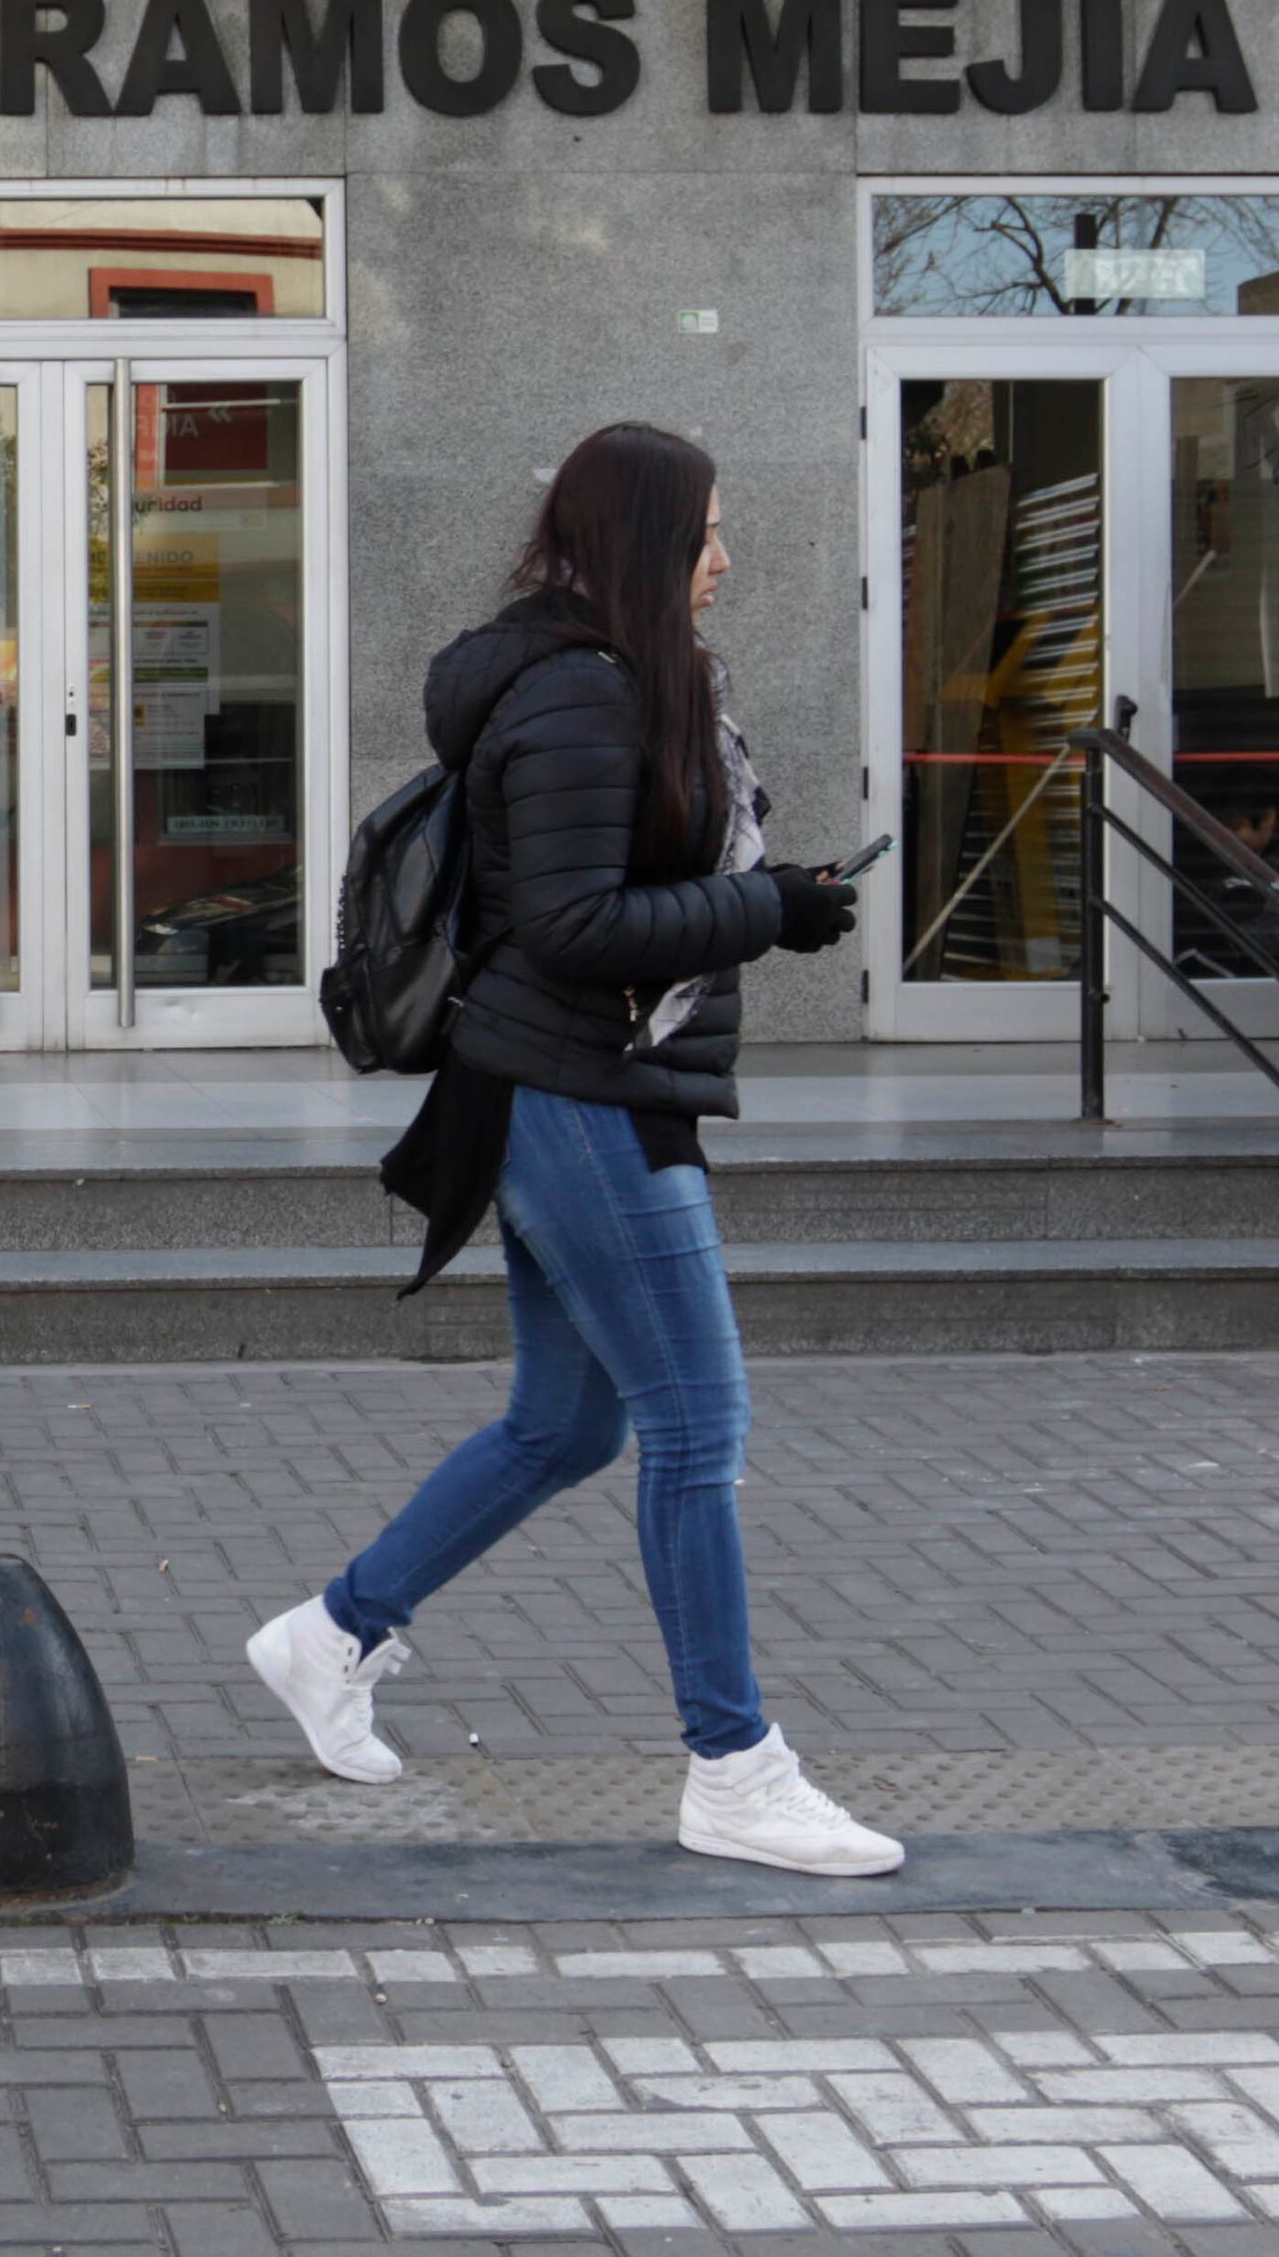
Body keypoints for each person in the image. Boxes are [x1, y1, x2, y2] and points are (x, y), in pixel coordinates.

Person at [245, 422, 897, 1875]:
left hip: (590, 1083)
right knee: (698, 1426)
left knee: (572, 1423)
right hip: (581, 1095)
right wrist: (768, 914)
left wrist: (764, 894)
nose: (726, 560)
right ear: (642, 542)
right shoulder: (580, 700)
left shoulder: (611, 683)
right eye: (708, 533)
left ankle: (335, 1630)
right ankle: (734, 1766)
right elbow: (573, 924)